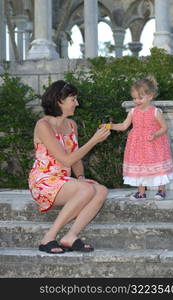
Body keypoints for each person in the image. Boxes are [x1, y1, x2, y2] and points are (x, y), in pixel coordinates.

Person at [28, 80, 110, 254]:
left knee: (101, 190)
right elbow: (66, 160)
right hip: (43, 181)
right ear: (60, 100)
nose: (77, 103)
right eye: (73, 99)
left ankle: (70, 237)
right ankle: (48, 238)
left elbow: (76, 157)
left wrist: (81, 178)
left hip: (64, 181)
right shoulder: (43, 125)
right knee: (87, 190)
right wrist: (94, 141)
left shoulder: (71, 125)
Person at [101, 76, 173, 200]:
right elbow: (124, 126)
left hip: (154, 144)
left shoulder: (155, 111)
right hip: (137, 146)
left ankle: (161, 190)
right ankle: (141, 192)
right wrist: (109, 126)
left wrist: (156, 134)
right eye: (134, 98)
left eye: (140, 98)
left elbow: (164, 127)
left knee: (158, 166)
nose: (137, 101)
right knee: (140, 167)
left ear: (150, 96)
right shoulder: (132, 112)